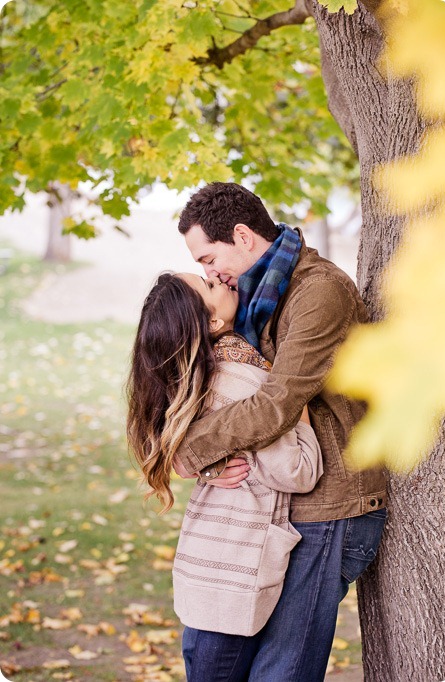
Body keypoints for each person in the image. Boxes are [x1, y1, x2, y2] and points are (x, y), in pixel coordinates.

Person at [174, 182, 388, 682]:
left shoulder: (319, 291)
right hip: (280, 502)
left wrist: (188, 452)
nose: (209, 273)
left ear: (243, 236)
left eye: (208, 258)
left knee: (282, 671)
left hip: (331, 505)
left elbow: (276, 404)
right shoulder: (252, 298)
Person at [126, 272, 323, 681]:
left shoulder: (204, 376)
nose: (220, 279)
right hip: (231, 579)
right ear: (213, 323)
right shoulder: (242, 380)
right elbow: (299, 471)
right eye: (208, 285)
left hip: (211, 570)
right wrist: (294, 400)